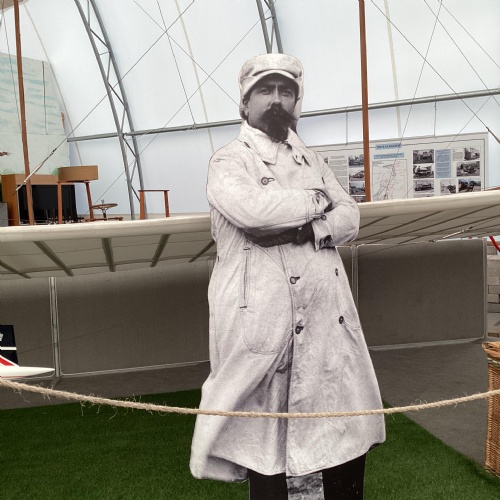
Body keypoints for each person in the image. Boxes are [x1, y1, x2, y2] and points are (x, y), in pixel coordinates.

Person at [190, 53, 385, 499]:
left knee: (342, 437)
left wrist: (311, 228)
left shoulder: (312, 160)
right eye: (265, 90)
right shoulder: (228, 161)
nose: (277, 100)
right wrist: (319, 202)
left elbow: (351, 217)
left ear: (298, 101)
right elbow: (255, 212)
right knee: (267, 450)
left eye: (286, 91)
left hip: (327, 327)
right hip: (264, 329)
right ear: (245, 102)